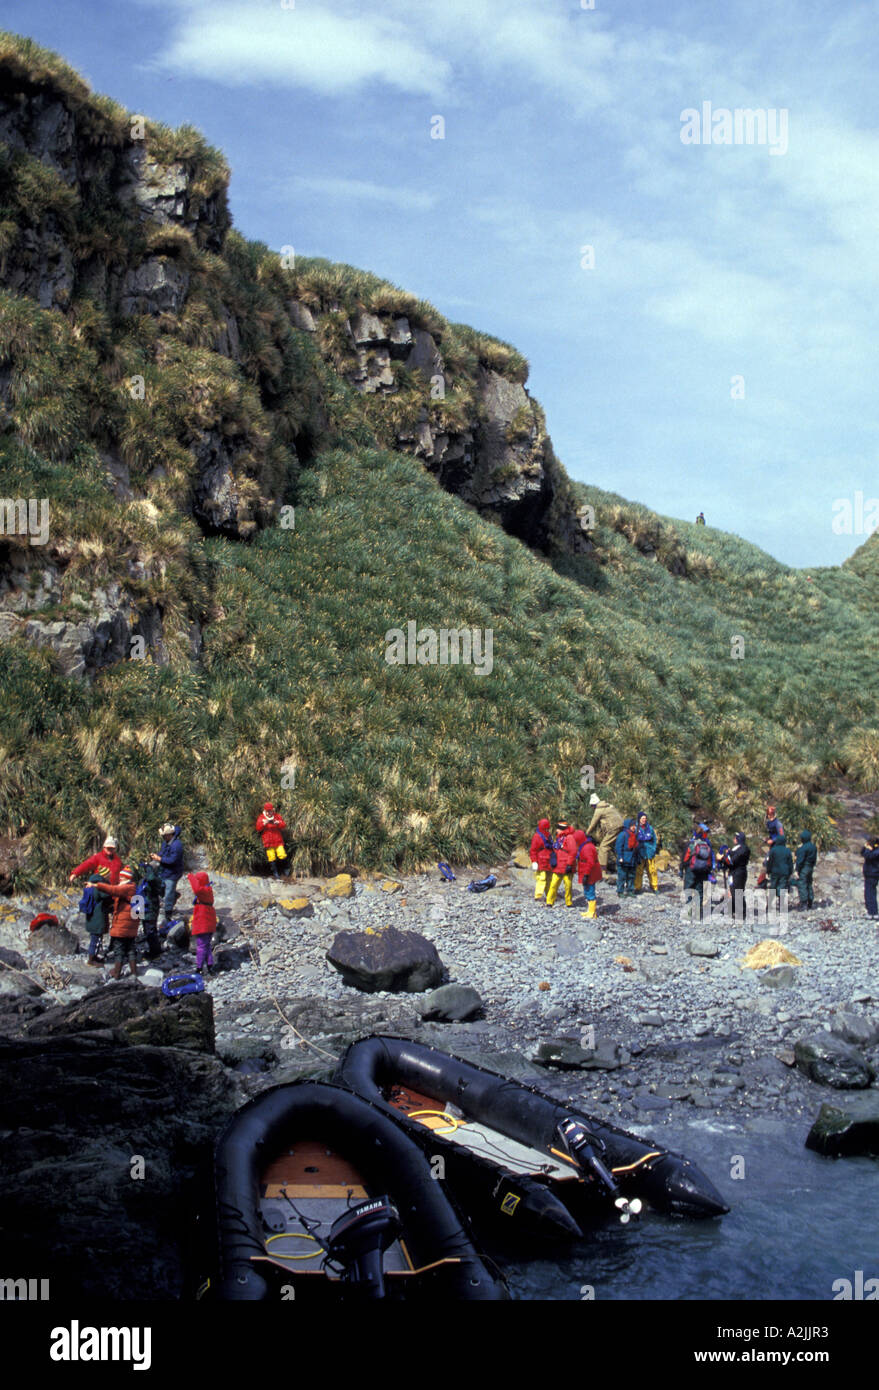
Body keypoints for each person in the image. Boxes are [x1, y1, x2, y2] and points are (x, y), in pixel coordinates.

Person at [96, 865, 139, 979]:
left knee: (119, 949)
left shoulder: (127, 888)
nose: (120, 879)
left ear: (127, 878)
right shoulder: (133, 888)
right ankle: (134, 973)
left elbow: (113, 890)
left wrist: (97, 885)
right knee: (130, 948)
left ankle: (117, 974)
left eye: (122, 877)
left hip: (123, 925)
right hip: (131, 925)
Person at [150, 823, 184, 926]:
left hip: (174, 872)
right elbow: (163, 852)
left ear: (170, 834)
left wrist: (159, 859)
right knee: (161, 889)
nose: (163, 837)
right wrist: (157, 855)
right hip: (165, 871)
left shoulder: (177, 845)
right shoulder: (166, 842)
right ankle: (174, 895)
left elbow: (172, 860)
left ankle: (168, 914)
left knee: (168, 893)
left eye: (164, 835)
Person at [78, 868, 112, 966]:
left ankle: (94, 957)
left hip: (91, 916)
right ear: (104, 875)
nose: (110, 875)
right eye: (109, 874)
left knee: (95, 938)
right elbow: (108, 895)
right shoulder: (99, 887)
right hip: (98, 917)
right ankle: (91, 960)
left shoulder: (91, 885)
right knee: (96, 939)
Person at [187, 871, 218, 975]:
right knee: (207, 945)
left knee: (200, 945)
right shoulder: (208, 890)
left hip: (203, 922)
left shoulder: (203, 890)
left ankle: (199, 968)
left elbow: (196, 889)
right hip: (209, 921)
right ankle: (210, 967)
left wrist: (191, 877)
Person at [682, 823, 714, 920]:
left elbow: (685, 858)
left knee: (688, 889)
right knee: (699, 890)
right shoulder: (707, 844)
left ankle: (689, 913)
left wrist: (681, 869)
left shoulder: (691, 843)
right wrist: (710, 871)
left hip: (691, 870)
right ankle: (698, 914)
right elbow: (711, 859)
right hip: (703, 871)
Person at [584, 795, 624, 871]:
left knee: (603, 847)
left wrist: (586, 833)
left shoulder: (599, 810)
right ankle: (620, 866)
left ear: (593, 804)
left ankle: (602, 871)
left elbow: (593, 823)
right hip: (621, 827)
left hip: (613, 829)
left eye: (592, 806)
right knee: (613, 847)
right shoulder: (609, 806)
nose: (592, 808)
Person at [135, 860, 164, 958]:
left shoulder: (155, 879)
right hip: (144, 906)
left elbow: (151, 878)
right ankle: (155, 949)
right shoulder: (145, 880)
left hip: (150, 908)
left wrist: (148, 867)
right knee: (147, 928)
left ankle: (155, 952)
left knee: (150, 929)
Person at [545, 822, 577, 907]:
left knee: (568, 885)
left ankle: (568, 902)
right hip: (559, 865)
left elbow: (573, 852)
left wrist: (569, 864)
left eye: (557, 829)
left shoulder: (569, 838)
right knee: (554, 884)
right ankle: (549, 901)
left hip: (566, 866)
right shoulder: (560, 838)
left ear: (562, 829)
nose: (556, 830)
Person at [573, 831, 602, 918]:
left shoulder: (587, 848)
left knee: (590, 890)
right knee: (587, 890)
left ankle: (592, 913)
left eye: (576, 840)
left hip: (590, 873)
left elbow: (590, 862)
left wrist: (586, 875)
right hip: (587, 871)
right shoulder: (585, 845)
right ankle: (590, 910)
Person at [256, 803, 289, 879]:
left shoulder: (277, 816)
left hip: (278, 840)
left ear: (273, 810)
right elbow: (258, 828)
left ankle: (285, 869)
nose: (269, 813)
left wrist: (278, 823)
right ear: (265, 811)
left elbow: (283, 825)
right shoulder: (261, 817)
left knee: (282, 854)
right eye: (267, 811)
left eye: (270, 811)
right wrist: (264, 823)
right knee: (271, 857)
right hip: (268, 842)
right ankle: (275, 873)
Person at [721, 832, 750, 920]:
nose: (733, 839)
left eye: (735, 837)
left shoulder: (743, 849)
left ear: (738, 839)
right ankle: (732, 909)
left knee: (737, 891)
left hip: (738, 872)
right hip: (733, 872)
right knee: (732, 890)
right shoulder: (737, 848)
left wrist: (723, 857)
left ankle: (741, 912)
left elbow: (732, 861)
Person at [529, 817, 554, 902]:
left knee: (550, 879)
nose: (547, 829)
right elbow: (533, 850)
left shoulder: (548, 835)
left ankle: (549, 894)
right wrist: (534, 861)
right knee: (541, 878)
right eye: (546, 827)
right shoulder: (537, 836)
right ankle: (538, 896)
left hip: (549, 861)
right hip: (541, 861)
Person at [765, 833, 793, 906]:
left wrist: (768, 871)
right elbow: (790, 862)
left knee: (773, 886)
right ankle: (782, 905)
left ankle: (770, 904)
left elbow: (770, 862)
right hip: (784, 872)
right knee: (782, 887)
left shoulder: (773, 850)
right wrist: (790, 872)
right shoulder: (787, 850)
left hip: (775, 871)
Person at [634, 812, 658, 893]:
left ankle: (654, 887)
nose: (644, 820)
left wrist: (653, 849)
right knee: (639, 871)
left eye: (645, 818)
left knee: (652, 870)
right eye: (642, 818)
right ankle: (637, 887)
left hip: (650, 853)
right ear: (639, 819)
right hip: (640, 853)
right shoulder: (636, 828)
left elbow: (654, 839)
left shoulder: (650, 828)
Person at [793, 830, 817, 909]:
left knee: (802, 883)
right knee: (809, 883)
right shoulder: (813, 847)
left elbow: (800, 861)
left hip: (804, 867)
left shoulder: (803, 848)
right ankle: (810, 902)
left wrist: (797, 870)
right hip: (810, 867)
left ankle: (803, 903)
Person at [615, 818, 639, 895]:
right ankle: (620, 891)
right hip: (624, 859)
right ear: (627, 826)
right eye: (632, 825)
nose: (633, 827)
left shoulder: (635, 835)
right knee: (622, 876)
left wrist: (638, 859)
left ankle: (630, 890)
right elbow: (618, 847)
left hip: (632, 859)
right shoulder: (623, 835)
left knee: (631, 876)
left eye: (634, 825)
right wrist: (620, 857)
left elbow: (637, 848)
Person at [861, 837, 879, 919]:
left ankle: (872, 912)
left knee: (870, 893)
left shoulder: (876, 851)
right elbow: (862, 853)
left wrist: (867, 849)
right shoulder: (874, 850)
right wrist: (865, 847)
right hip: (871, 874)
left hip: (872, 874)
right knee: (870, 893)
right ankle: (872, 912)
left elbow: (868, 855)